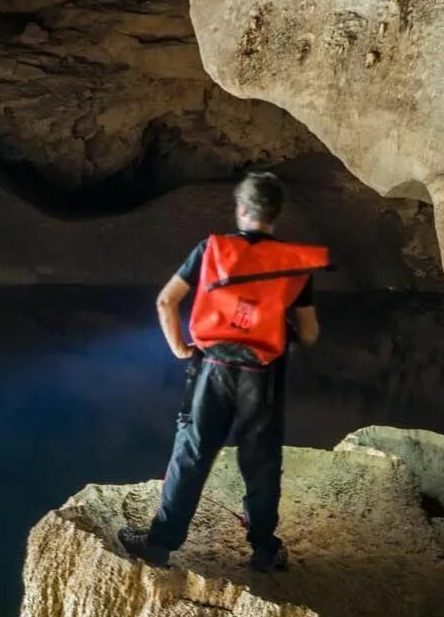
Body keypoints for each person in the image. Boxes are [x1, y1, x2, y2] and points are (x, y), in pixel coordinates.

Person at [119, 172, 328, 571]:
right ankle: (264, 551)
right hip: (261, 378)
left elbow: (166, 302)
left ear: (242, 209)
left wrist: (181, 347)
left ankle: (160, 544)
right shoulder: (292, 264)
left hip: (211, 370)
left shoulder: (211, 249)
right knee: (261, 460)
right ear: (276, 215)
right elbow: (310, 331)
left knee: (192, 454)